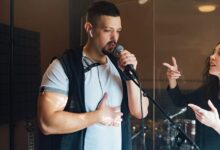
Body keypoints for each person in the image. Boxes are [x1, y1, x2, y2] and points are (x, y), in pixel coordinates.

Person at [37, 1, 149, 150]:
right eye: (108, 30)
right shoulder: (64, 66)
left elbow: (140, 111)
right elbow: (46, 123)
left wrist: (130, 75)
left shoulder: (120, 67)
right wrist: (97, 116)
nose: (114, 38)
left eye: (118, 31)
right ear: (89, 29)